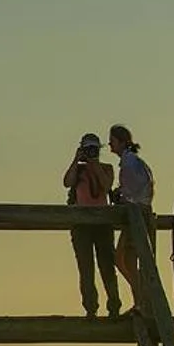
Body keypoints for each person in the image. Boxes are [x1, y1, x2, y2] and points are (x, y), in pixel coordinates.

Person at [63, 132, 121, 316]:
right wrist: (76, 160)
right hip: (81, 224)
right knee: (85, 268)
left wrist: (94, 164)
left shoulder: (106, 168)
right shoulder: (78, 170)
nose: (90, 152)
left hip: (103, 223)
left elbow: (106, 186)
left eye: (93, 149)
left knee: (107, 266)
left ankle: (114, 306)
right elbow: (67, 182)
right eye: (87, 149)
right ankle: (91, 307)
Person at [108, 124, 156, 302]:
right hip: (141, 211)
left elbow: (133, 192)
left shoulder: (129, 163)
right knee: (128, 259)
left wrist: (120, 196)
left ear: (120, 142)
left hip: (136, 213)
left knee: (123, 258)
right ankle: (141, 298)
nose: (110, 144)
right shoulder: (136, 161)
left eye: (112, 140)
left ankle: (141, 298)